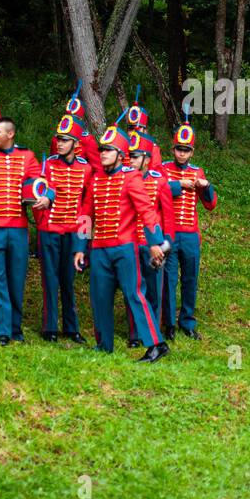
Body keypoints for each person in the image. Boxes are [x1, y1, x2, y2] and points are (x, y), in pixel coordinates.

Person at [72, 123, 170, 362]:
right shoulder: (95, 180)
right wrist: (79, 248)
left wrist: (156, 242)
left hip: (125, 248)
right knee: (99, 297)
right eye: (101, 149)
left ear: (120, 155)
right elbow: (86, 215)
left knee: (134, 294)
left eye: (108, 149)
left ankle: (157, 344)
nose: (102, 153)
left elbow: (147, 211)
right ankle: (104, 344)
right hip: (99, 250)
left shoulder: (131, 177)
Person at [0, 116, 50, 344]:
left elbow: (41, 183)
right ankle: (2, 330)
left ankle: (16, 328)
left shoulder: (27, 157)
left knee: (16, 281)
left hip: (18, 231)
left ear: (10, 134)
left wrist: (47, 197)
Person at [34, 114, 93, 343]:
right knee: (50, 278)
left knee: (68, 280)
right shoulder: (48, 163)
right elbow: (40, 188)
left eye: (65, 139)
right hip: (50, 230)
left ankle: (71, 327)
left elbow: (87, 208)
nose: (59, 143)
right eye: (59, 138)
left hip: (72, 232)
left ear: (76, 144)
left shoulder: (86, 169)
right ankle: (50, 327)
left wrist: (83, 242)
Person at [161, 110, 217, 340]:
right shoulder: (164, 169)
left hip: (191, 235)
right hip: (170, 234)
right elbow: (159, 192)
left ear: (192, 152)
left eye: (186, 150)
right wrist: (179, 184)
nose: (182, 154)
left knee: (190, 279)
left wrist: (206, 185)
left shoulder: (197, 172)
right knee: (169, 279)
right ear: (172, 148)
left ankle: (187, 321)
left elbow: (210, 204)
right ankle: (169, 324)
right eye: (178, 149)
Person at [127, 131, 178, 343]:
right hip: (130, 243)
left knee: (154, 291)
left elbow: (168, 218)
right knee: (133, 290)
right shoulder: (125, 180)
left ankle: (154, 332)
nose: (130, 160)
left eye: (135, 156)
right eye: (129, 156)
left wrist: (164, 246)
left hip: (153, 247)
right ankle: (135, 334)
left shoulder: (159, 182)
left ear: (146, 160)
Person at [124, 85, 164, 170]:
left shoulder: (153, 149)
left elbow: (155, 172)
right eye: (131, 129)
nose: (133, 132)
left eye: (137, 128)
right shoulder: (122, 147)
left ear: (144, 130)